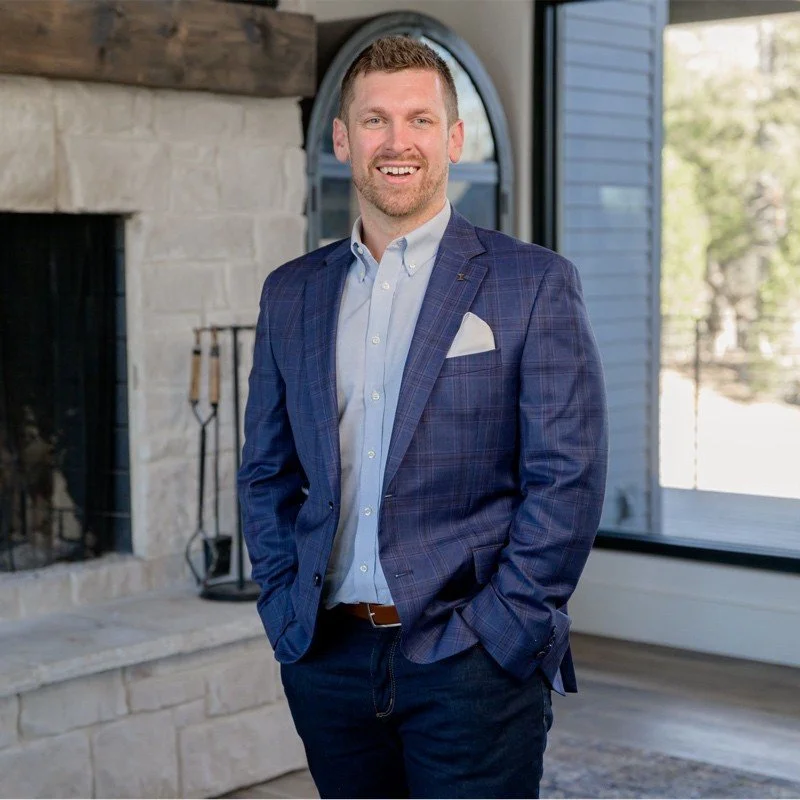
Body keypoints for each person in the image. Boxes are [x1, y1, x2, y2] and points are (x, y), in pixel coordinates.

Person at [238, 35, 608, 800]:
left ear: (453, 139)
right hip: (328, 657)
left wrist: (504, 629)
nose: (397, 142)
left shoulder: (532, 283)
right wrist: (282, 602)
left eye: (419, 119)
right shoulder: (291, 292)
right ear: (343, 139)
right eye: (375, 121)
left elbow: (566, 479)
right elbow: (266, 471)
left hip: (471, 660)